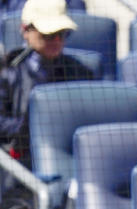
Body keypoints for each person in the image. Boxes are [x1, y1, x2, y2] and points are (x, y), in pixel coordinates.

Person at [0, 0, 93, 176]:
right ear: (26, 30)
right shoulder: (6, 72)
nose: (56, 40)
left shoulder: (81, 73)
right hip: (20, 167)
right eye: (48, 34)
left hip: (71, 164)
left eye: (62, 34)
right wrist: (33, 128)